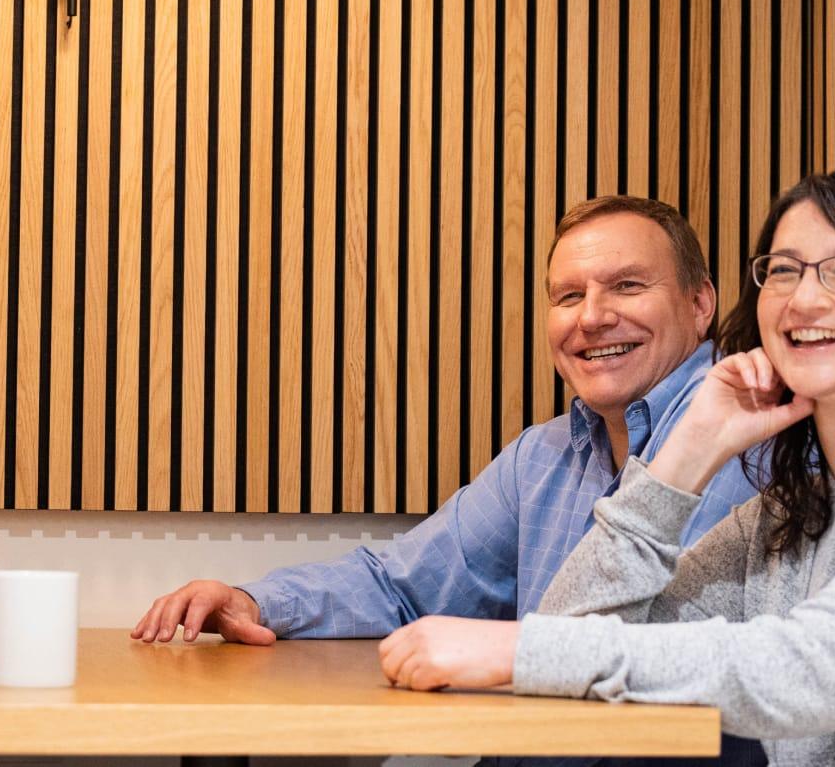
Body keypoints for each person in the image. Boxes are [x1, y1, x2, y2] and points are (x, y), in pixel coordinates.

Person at [377, 170, 835, 765]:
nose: (804, 297)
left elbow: (816, 669)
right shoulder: (792, 505)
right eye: (781, 270)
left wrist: (516, 647)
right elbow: (581, 635)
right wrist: (684, 454)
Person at [135, 195, 766, 764]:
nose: (592, 317)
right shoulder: (543, 456)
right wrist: (254, 602)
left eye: (627, 286)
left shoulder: (759, 445)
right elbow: (406, 584)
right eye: (568, 297)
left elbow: (688, 656)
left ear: (701, 303)